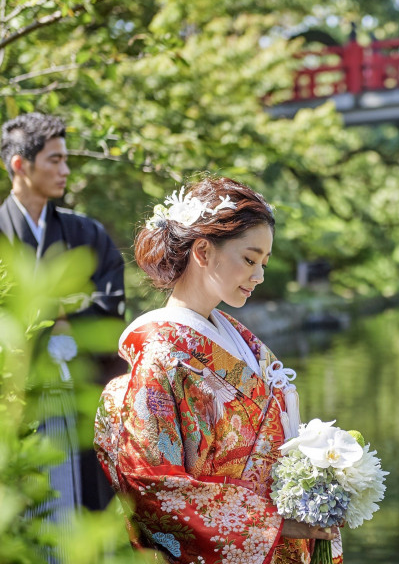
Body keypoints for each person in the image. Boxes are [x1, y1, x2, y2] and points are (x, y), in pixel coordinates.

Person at [94, 177, 342, 563]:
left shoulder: (240, 339)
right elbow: (150, 481)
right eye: (249, 259)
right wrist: (272, 524)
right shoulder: (161, 351)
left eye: (264, 263)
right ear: (204, 252)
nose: (259, 276)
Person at [0, 112, 127, 516]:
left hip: (81, 392)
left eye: (65, 159)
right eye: (55, 160)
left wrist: (48, 311)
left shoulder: (86, 233)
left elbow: (111, 306)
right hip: (18, 399)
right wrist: (63, 310)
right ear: (21, 164)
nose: (65, 170)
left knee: (86, 506)